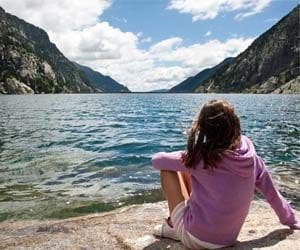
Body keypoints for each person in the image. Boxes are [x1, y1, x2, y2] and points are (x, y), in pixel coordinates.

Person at [152, 99, 300, 249]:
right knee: (189, 169)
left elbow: (157, 160)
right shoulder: (250, 156)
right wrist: (291, 221)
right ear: (235, 124)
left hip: (196, 239)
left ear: (204, 130)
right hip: (228, 239)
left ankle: (174, 227)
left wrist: (186, 155)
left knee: (168, 169)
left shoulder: (201, 157)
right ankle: (187, 220)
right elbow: (272, 194)